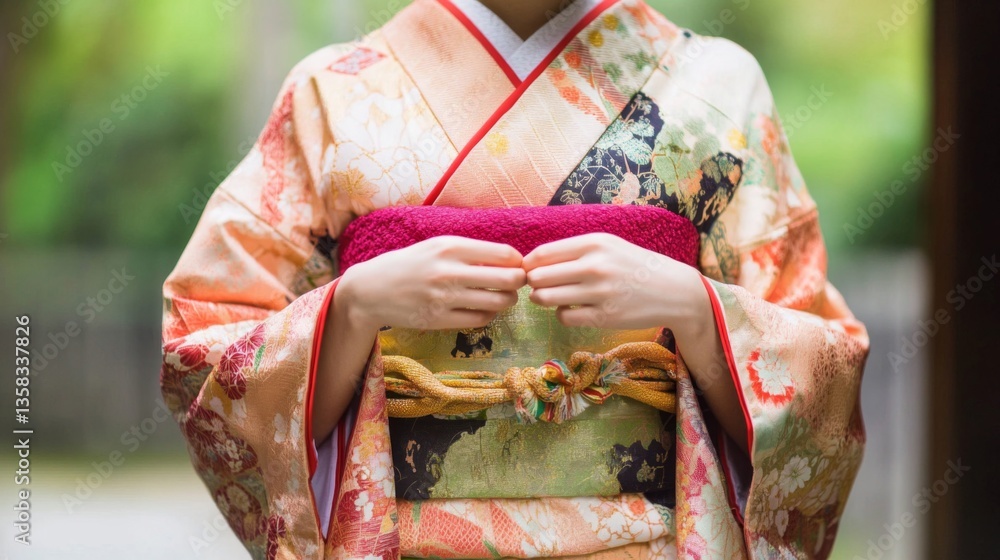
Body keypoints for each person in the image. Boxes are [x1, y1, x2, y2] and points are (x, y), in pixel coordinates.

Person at [160, 0, 869, 557]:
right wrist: (352, 311)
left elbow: (822, 369)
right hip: (401, 542)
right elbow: (203, 341)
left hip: (651, 540)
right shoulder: (333, 93)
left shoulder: (717, 87)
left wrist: (697, 310)